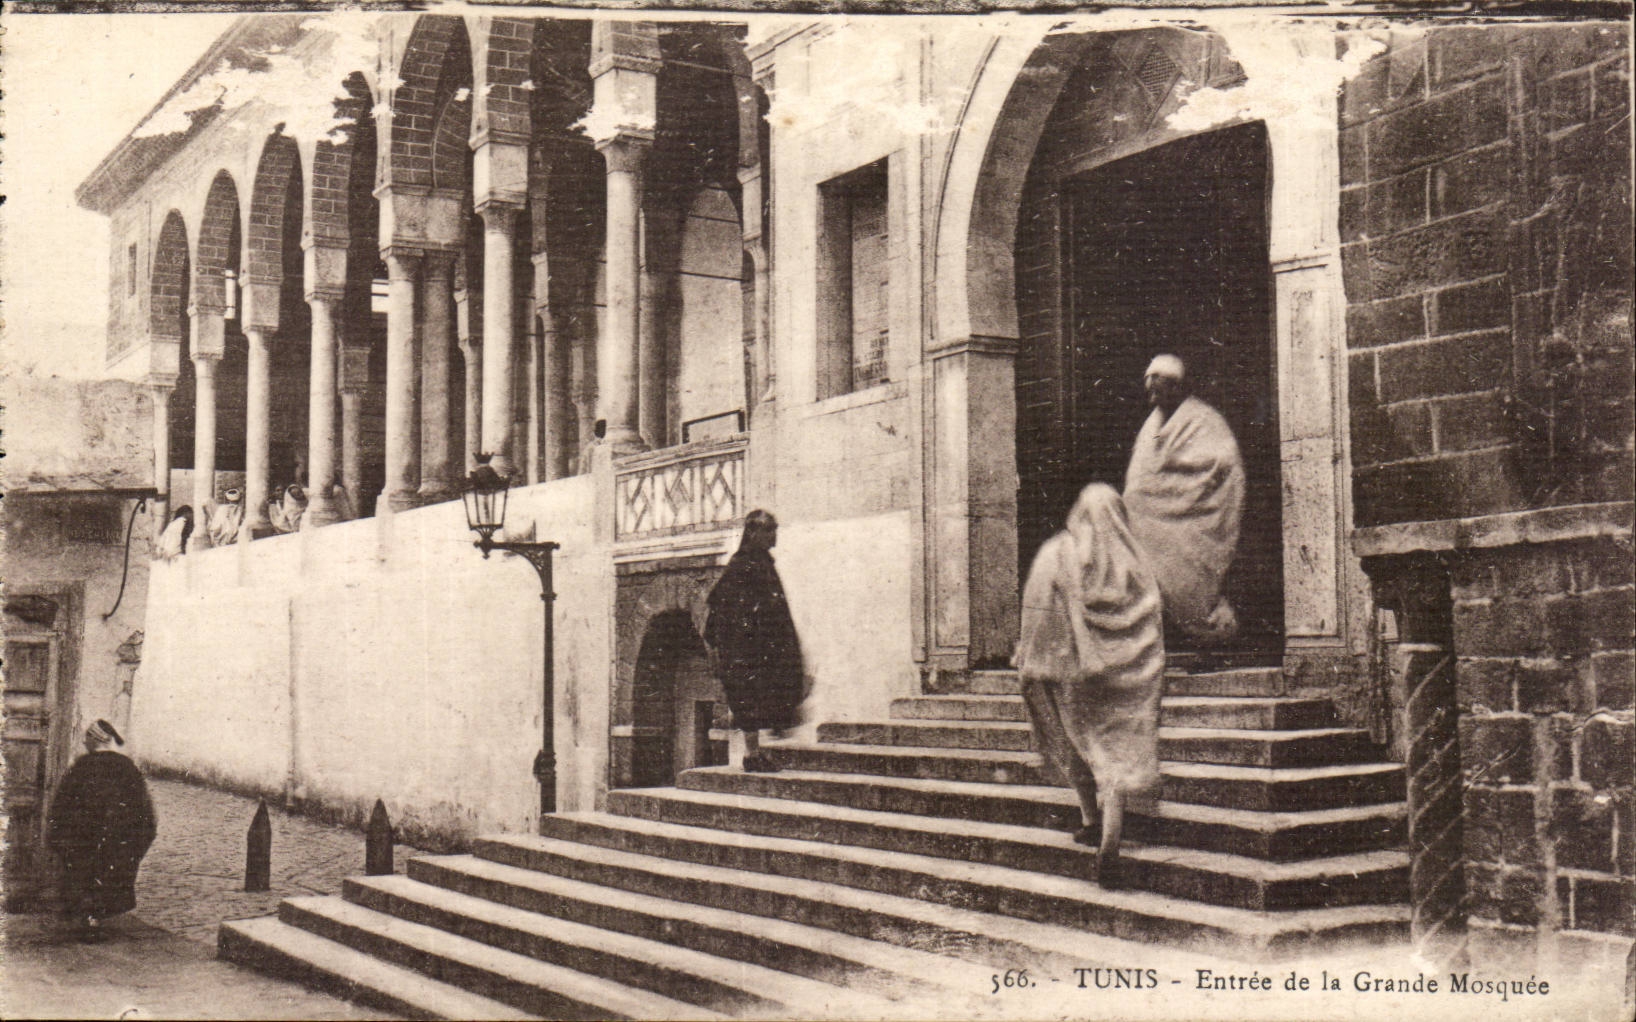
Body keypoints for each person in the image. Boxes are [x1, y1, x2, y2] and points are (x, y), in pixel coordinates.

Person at [1014, 483, 1164, 888]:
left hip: (1065, 672)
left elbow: (1036, 609)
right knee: (1110, 754)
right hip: (1116, 679)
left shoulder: (1059, 553)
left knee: (1075, 745)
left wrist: (1032, 660)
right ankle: (1109, 842)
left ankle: (1088, 821)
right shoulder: (1134, 565)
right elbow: (1150, 624)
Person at [1123, 354, 1244, 641]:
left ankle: (1209, 635)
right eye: (1149, 387)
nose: (1152, 395)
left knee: (1194, 583)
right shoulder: (1151, 425)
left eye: (1159, 387)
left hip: (1198, 518)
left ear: (1176, 388)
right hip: (1149, 527)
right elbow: (1143, 474)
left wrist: (1177, 492)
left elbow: (1225, 465)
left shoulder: (1204, 420)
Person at [703, 510, 804, 773]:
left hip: (764, 646)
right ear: (754, 533)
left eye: (775, 530)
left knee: (767, 694)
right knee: (749, 698)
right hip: (746, 648)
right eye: (769, 530)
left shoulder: (763, 563)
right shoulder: (742, 564)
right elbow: (722, 607)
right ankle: (752, 754)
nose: (774, 536)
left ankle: (757, 752)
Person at [47, 720, 157, 941]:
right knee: (107, 874)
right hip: (117, 839)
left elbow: (62, 804)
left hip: (83, 838)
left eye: (87, 736)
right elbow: (144, 810)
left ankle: (88, 917)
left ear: (94, 740)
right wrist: (137, 840)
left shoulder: (82, 766)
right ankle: (95, 917)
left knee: (83, 874)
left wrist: (57, 832)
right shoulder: (127, 767)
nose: (84, 741)